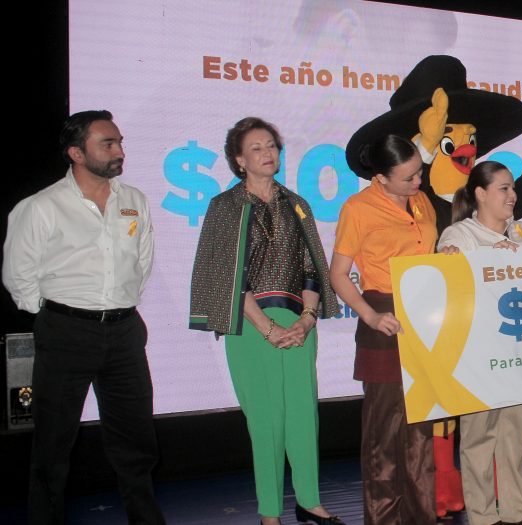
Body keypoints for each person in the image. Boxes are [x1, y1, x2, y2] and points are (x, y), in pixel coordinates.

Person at [2, 110, 165, 523]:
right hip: (66, 331)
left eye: (120, 142)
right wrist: (58, 314)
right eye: (108, 144)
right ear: (76, 153)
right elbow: (18, 275)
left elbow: (142, 262)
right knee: (53, 445)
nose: (119, 150)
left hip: (125, 331)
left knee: (136, 442)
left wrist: (120, 302)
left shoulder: (134, 200)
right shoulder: (41, 206)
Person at [189, 117, 341, 525]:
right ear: (239, 160)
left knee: (303, 414)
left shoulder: (296, 203)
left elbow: (311, 267)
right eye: (256, 148)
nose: (267, 153)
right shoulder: (225, 206)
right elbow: (227, 276)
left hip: (298, 323)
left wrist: (307, 319)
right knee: (266, 420)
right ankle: (269, 512)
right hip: (249, 326)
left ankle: (309, 501)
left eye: (271, 145)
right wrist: (267, 328)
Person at [331, 134, 447, 524]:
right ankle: (383, 518)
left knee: (421, 429)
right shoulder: (357, 208)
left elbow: (425, 255)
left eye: (419, 173)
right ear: (380, 177)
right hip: (383, 315)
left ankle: (421, 516)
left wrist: (443, 256)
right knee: (383, 431)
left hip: (424, 317)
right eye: (408, 177)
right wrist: (370, 315)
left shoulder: (422, 200)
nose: (418, 182)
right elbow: (338, 275)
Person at [437, 161, 522, 525]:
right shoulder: (459, 236)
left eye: (513, 188)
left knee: (514, 434)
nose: (513, 195)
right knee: (478, 438)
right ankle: (484, 515)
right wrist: (486, 259)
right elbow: (450, 285)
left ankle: (518, 508)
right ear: (480, 193)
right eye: (504, 188)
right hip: (479, 354)